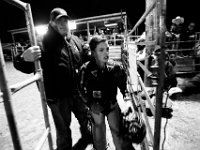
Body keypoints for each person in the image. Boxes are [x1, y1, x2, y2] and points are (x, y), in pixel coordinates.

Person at [13, 7, 92, 150]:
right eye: (58, 21)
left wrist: (89, 51)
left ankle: (88, 138)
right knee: (63, 129)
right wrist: (23, 58)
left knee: (86, 119)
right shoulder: (42, 42)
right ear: (51, 23)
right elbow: (23, 64)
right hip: (58, 98)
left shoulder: (74, 40)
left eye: (65, 21)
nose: (63, 24)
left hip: (78, 93)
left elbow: (86, 56)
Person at [78, 35, 135, 150]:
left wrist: (127, 102)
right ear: (93, 53)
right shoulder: (85, 69)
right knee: (98, 135)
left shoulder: (115, 67)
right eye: (101, 50)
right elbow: (79, 89)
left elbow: (125, 87)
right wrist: (90, 104)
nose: (106, 53)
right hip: (96, 107)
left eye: (107, 49)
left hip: (112, 105)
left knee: (117, 132)